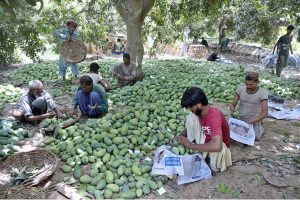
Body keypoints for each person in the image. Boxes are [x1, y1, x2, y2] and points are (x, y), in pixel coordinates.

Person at [175, 87, 232, 172]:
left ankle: (198, 149)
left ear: (199, 104)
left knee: (215, 160)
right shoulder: (198, 113)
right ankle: (197, 147)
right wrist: (180, 136)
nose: (190, 109)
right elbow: (190, 127)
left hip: (219, 146)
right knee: (191, 117)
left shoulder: (214, 116)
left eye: (190, 106)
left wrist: (190, 145)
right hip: (206, 139)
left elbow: (217, 147)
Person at [230, 72, 268, 140]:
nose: (248, 86)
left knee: (254, 137)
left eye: (251, 84)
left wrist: (251, 121)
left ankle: (260, 127)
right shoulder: (240, 89)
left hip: (253, 119)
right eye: (246, 84)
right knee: (230, 133)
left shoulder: (263, 92)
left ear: (257, 82)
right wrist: (233, 111)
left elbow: (264, 113)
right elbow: (232, 105)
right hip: (239, 118)